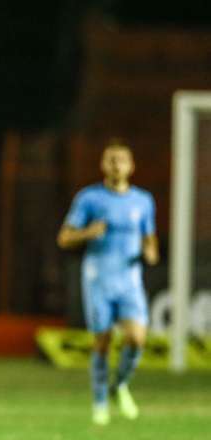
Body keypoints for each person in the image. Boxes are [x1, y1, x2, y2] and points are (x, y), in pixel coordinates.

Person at [57, 139, 159, 425]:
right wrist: (88, 232)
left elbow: (149, 236)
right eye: (111, 160)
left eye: (121, 160)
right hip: (98, 277)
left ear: (131, 166)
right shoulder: (89, 198)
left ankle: (120, 385)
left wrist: (151, 250)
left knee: (137, 338)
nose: (116, 165)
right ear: (103, 165)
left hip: (129, 279)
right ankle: (100, 401)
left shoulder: (143, 200)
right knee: (102, 341)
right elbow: (64, 237)